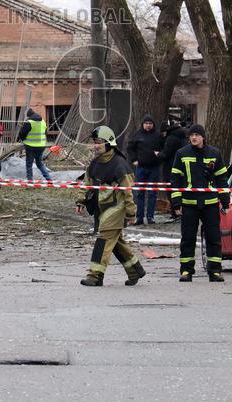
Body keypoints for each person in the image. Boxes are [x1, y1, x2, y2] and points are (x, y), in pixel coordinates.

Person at [77, 126, 146, 287]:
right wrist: (80, 201)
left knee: (104, 240)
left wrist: (131, 212)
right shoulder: (95, 163)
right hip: (102, 209)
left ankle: (95, 276)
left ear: (109, 143)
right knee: (116, 243)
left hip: (117, 209)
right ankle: (135, 270)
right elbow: (87, 183)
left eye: (99, 142)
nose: (96, 145)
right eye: (95, 142)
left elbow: (128, 192)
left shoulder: (119, 164)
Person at [170, 123, 230, 283]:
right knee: (188, 238)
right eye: (191, 135)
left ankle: (215, 271)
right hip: (189, 203)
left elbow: (222, 178)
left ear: (203, 137)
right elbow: (175, 179)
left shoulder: (214, 153)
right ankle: (186, 271)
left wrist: (225, 201)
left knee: (213, 238)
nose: (194, 137)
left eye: (196, 135)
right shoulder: (182, 153)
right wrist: (176, 203)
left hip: (210, 203)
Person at [126, 114, 163, 225]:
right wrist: (134, 160)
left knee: (152, 193)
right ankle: (139, 217)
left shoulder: (158, 135)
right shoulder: (137, 135)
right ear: (143, 124)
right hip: (141, 168)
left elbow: (164, 148)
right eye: (146, 123)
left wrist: (160, 156)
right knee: (139, 193)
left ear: (153, 125)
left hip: (154, 168)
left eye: (150, 123)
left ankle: (150, 217)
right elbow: (130, 148)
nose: (148, 125)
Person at [159, 119, 188, 222]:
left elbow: (165, 154)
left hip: (170, 169)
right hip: (182, 168)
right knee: (180, 191)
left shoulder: (171, 138)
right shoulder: (182, 136)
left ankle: (175, 213)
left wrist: (158, 154)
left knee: (171, 192)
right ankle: (181, 212)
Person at [18, 108, 52, 181]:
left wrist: (23, 139)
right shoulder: (43, 122)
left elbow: (22, 134)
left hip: (30, 146)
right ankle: (48, 178)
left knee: (29, 164)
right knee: (40, 163)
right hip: (41, 146)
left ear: (29, 116)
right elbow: (45, 133)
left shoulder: (29, 122)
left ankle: (30, 180)